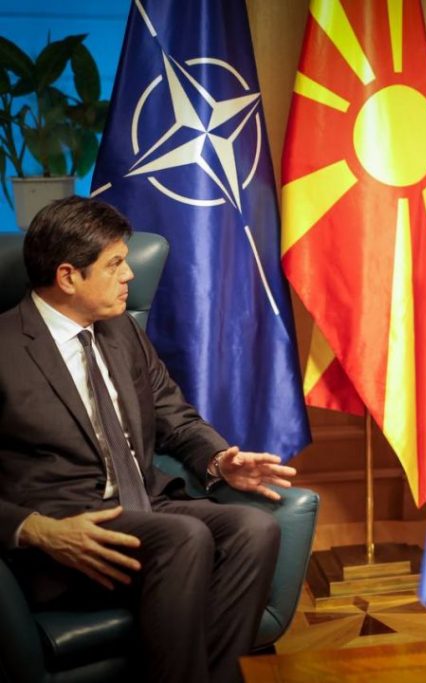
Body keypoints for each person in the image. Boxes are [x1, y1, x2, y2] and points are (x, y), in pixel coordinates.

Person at [0, 196, 297, 683]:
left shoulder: (122, 332)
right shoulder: (5, 347)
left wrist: (219, 460)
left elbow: (173, 415)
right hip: (67, 533)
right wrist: (36, 529)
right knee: (184, 536)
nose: (130, 275)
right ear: (68, 276)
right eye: (115, 264)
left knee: (254, 529)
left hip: (146, 507)